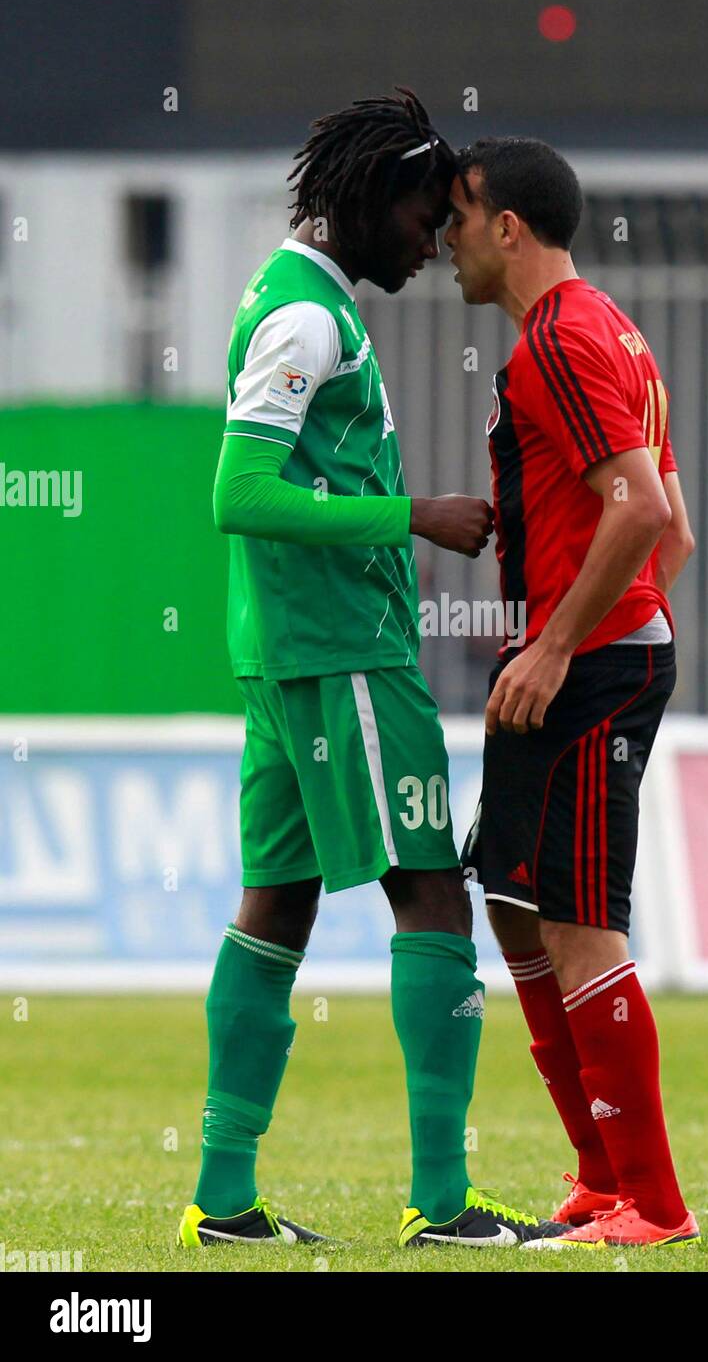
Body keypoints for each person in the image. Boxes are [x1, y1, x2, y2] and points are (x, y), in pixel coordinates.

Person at [178, 92, 567, 1250]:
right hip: (345, 653)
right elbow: (236, 498)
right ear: (368, 200)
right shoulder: (308, 320)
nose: (433, 238)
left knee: (277, 907)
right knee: (434, 892)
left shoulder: (297, 299)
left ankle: (224, 1197)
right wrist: (417, 516)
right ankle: (443, 1201)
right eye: (421, 212)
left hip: (290, 655)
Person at [446, 136, 698, 1249]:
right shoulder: (612, 334)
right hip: (582, 657)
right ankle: (601, 1177)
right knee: (515, 906)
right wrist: (606, 623)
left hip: (582, 669)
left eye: (457, 214)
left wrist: (561, 645)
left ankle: (655, 1204)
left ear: (507, 226)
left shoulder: (558, 339)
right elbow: (675, 529)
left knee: (582, 924)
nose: (443, 236)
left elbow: (638, 511)